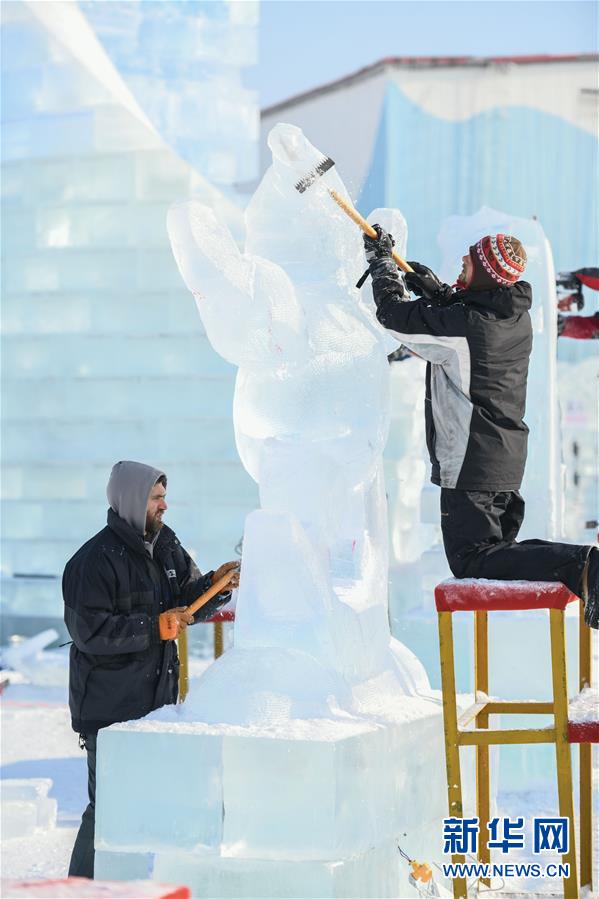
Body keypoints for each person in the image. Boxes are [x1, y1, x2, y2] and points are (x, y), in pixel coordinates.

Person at [363, 227, 598, 629]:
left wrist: (382, 264)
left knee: (472, 559)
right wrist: (438, 294)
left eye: (467, 263)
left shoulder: (467, 324)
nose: (460, 266)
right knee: (496, 553)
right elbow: (468, 318)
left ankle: (586, 566)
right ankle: (583, 566)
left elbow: (396, 319)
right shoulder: (516, 316)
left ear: (487, 274)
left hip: (472, 459)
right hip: (501, 457)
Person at [63, 460, 240, 878]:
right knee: (107, 807)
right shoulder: (94, 561)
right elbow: (89, 631)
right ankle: (77, 888)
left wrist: (214, 584)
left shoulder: (165, 544)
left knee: (151, 803)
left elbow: (186, 599)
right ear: (131, 500)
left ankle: (135, 883)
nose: (164, 505)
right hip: (110, 711)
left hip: (156, 705)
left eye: (164, 496)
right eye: (156, 498)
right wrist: (152, 627)